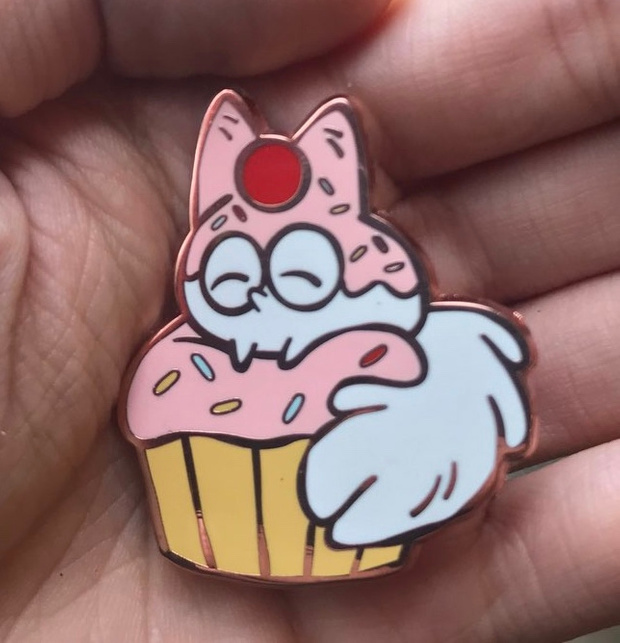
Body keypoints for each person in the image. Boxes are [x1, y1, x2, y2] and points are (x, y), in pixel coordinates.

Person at [0, 0, 618, 640]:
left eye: (299, 271)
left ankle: (381, 492)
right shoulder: (179, 361)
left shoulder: (398, 345)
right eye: (235, 274)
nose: (264, 291)